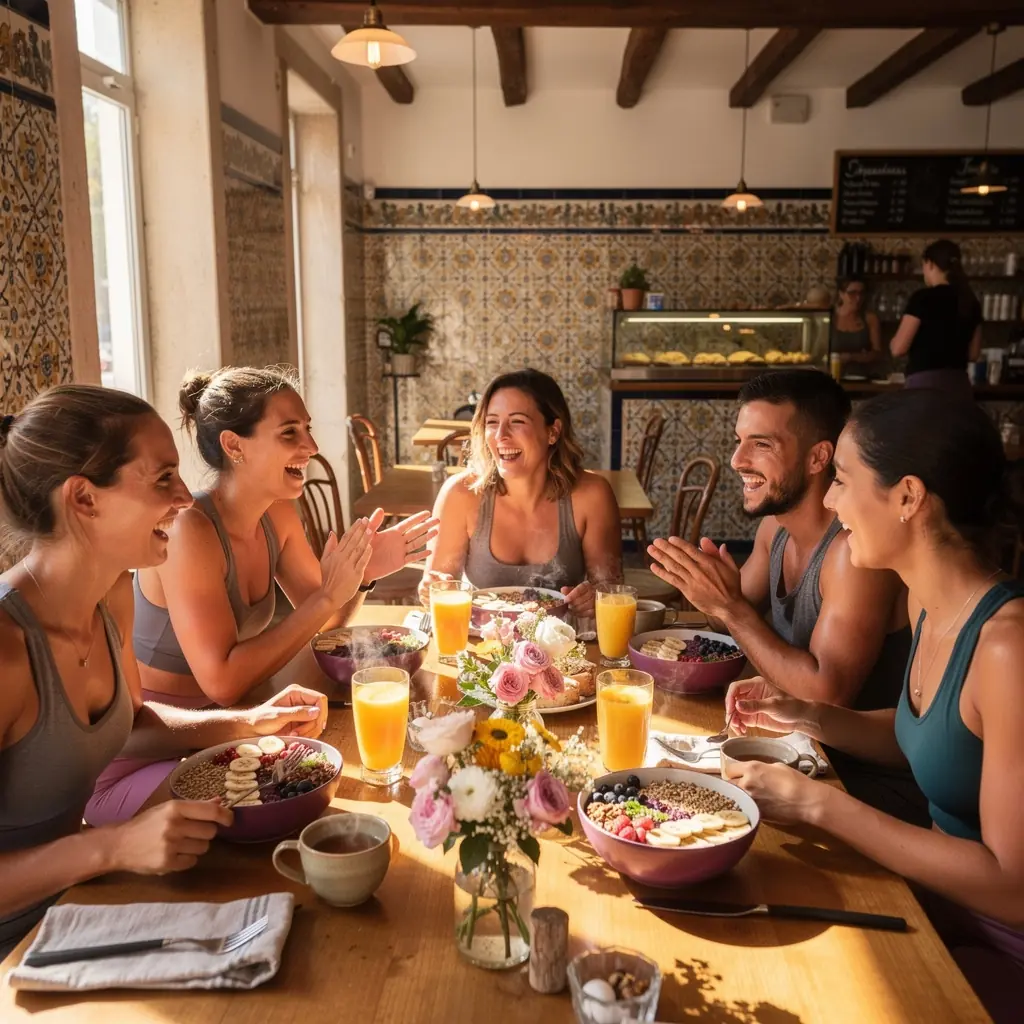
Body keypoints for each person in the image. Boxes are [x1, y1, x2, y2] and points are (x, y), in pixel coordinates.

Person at [725, 390, 1024, 1023]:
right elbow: (933, 738)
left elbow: (1011, 886)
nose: (830, 501)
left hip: (995, 942)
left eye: (841, 480)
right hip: (933, 896)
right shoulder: (927, 604)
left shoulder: (1007, 648)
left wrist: (821, 804)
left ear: (908, 496)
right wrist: (809, 715)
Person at [0, 385, 328, 959]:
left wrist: (247, 722)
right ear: (84, 498)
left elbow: (132, 725)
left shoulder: (111, 597)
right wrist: (111, 847)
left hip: (79, 906)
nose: (183, 497)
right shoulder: (6, 650)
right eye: (162, 479)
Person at [647, 370, 926, 825]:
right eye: (739, 441)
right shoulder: (774, 529)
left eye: (761, 444)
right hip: (796, 750)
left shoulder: (852, 553)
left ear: (819, 457)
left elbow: (826, 692)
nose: (737, 460)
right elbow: (732, 621)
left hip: (857, 784)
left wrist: (730, 606)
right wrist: (712, 593)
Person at [134, 366, 438, 711]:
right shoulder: (187, 529)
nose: (312, 446)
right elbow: (223, 683)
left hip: (245, 709)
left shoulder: (277, 515)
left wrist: (361, 575)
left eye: (307, 428)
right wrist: (327, 595)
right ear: (234, 445)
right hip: (170, 725)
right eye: (289, 432)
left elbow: (324, 621)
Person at [420, 368, 621, 617]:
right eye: (492, 422)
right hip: (482, 639)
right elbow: (437, 589)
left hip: (565, 640)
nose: (500, 435)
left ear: (553, 431)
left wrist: (595, 599)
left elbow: (611, 592)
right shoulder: (459, 495)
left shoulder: (593, 495)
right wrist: (432, 589)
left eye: (517, 422)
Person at [890, 239, 982, 397]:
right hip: (959, 385)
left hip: (925, 386)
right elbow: (974, 354)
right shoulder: (970, 300)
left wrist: (893, 343)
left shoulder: (922, 298)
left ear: (930, 264)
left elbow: (898, 348)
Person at [832, 276, 883, 367]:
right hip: (833, 370)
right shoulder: (831, 317)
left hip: (862, 372)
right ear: (841, 294)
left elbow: (877, 354)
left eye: (861, 293)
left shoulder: (870, 319)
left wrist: (851, 357)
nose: (858, 298)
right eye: (852, 293)